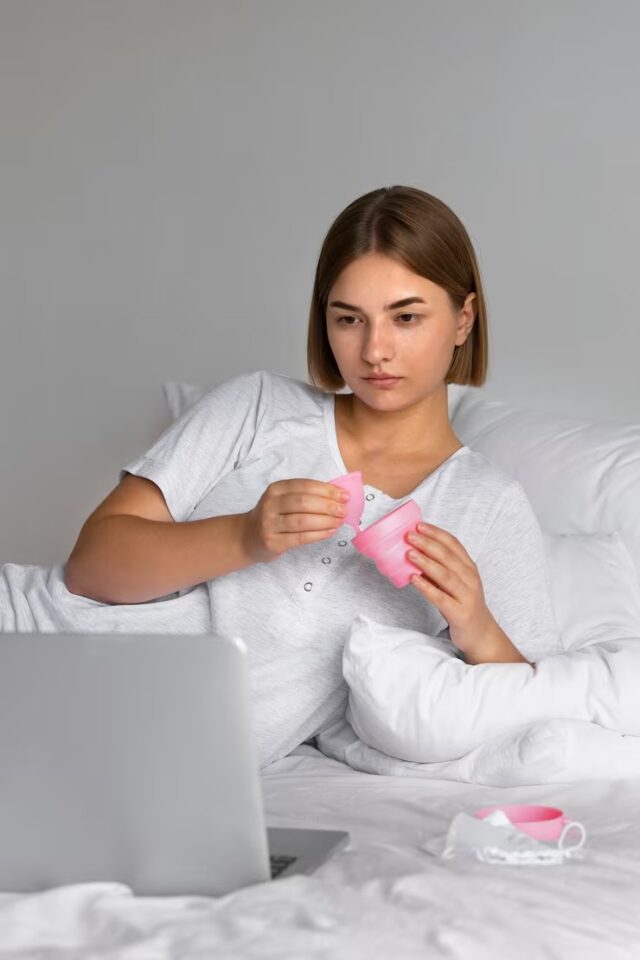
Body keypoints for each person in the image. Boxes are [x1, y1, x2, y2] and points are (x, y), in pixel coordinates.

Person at [1, 185, 562, 768]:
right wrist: (244, 535)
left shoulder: (488, 505)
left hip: (150, 758)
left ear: (463, 319)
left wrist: (475, 626)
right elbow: (90, 569)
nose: (375, 350)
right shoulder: (257, 406)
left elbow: (539, 718)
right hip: (28, 642)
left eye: (406, 317)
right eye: (349, 319)